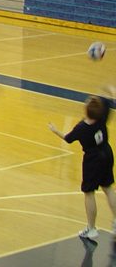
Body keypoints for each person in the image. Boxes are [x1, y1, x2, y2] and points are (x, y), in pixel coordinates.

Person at [49, 93, 116, 240]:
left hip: (93, 160)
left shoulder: (82, 128)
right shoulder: (102, 117)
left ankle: (91, 229)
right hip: (107, 153)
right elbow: (108, 103)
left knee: (89, 193)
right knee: (108, 187)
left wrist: (55, 130)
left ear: (86, 110)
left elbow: (67, 139)